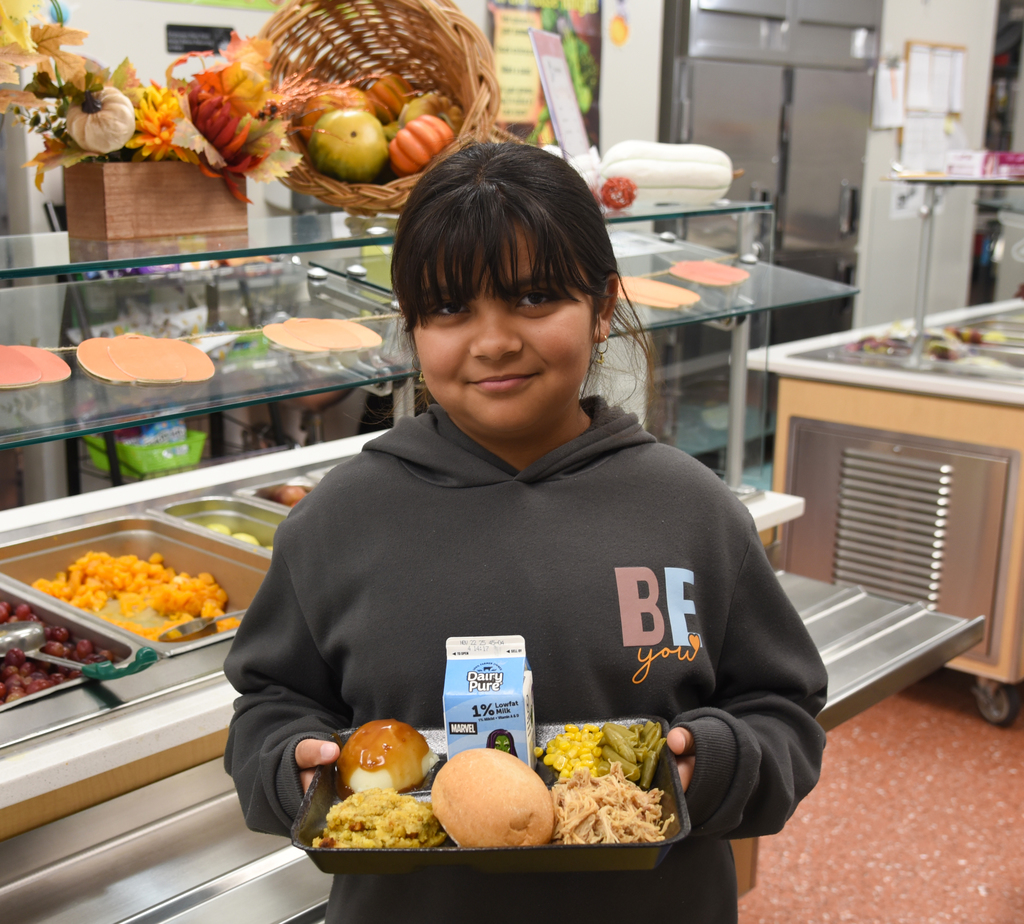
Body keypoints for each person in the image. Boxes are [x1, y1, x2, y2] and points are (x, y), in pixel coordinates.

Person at [224, 142, 828, 923]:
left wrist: (711, 760)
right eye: (449, 310)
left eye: (535, 298)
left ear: (603, 305)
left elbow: (783, 710)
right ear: (410, 326)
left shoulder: (693, 514)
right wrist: (288, 769)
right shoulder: (336, 523)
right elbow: (270, 705)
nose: (493, 340)